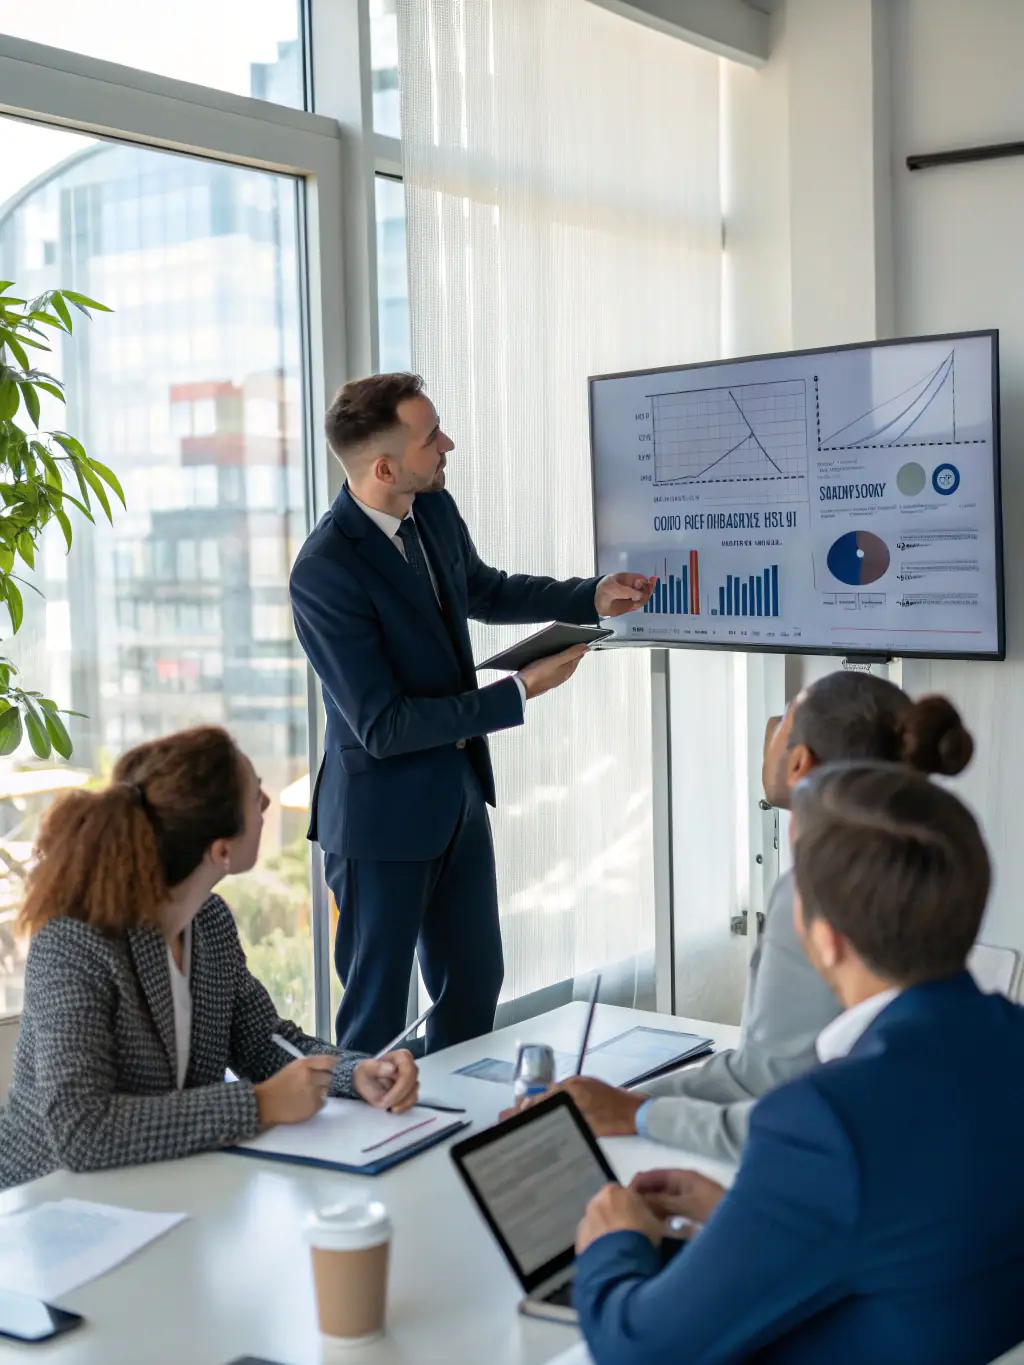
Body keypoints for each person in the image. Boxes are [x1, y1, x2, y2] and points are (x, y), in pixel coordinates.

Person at [572, 761, 1024, 1365]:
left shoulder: (825, 1121)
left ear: (826, 940)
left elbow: (640, 1350)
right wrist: (752, 1219)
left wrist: (615, 1244)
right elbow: (927, 1225)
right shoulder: (1008, 1040)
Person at [289, 372, 653, 1054]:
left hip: (456, 799)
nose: (447, 444)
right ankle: (370, 1149)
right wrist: (518, 693)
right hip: (380, 824)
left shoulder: (431, 510)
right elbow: (385, 725)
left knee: (475, 986)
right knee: (374, 1022)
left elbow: (482, 589)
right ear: (385, 465)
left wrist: (590, 596)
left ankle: (455, 1140)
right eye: (432, 438)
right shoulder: (324, 570)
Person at [535, 673, 974, 1159]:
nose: (768, 733)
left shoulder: (817, 892)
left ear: (799, 764)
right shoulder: (927, 859)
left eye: (781, 724)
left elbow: (771, 1084)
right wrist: (629, 1102)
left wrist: (634, 1110)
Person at [0, 727, 419, 1190]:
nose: (265, 803)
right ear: (221, 851)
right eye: (253, 794)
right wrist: (258, 1105)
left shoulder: (210, 922)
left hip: (164, 1188)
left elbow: (263, 1042)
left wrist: (354, 1072)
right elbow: (82, 1130)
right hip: (47, 1202)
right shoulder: (73, 942)